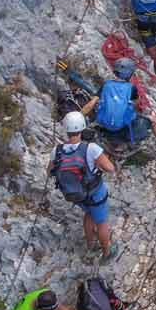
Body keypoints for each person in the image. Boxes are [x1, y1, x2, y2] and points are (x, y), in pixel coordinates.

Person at [51, 111, 120, 261]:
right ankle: (107, 251)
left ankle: (90, 246)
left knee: (89, 214)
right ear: (82, 128)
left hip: (77, 194)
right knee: (102, 222)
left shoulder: (57, 151)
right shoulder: (91, 148)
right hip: (95, 192)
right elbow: (110, 168)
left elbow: (50, 171)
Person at [93, 57, 156, 152]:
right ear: (130, 74)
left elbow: (94, 102)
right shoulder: (131, 88)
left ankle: (116, 141)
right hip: (123, 129)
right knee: (154, 120)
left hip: (105, 127)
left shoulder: (106, 85)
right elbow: (136, 105)